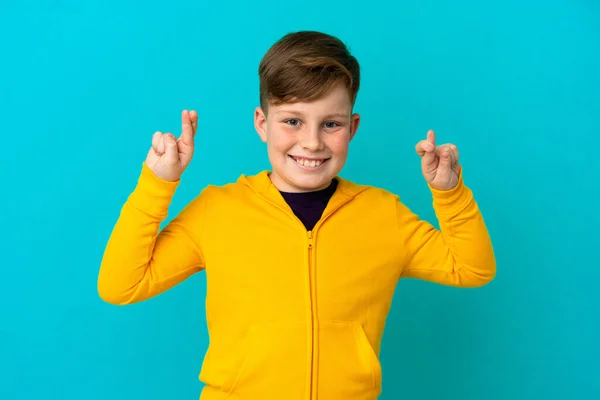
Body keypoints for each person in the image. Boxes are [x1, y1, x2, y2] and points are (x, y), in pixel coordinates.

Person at [97, 30, 496, 400]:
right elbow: (122, 285)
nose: (312, 142)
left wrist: (449, 193)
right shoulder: (218, 210)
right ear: (262, 123)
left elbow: (472, 268)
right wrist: (156, 184)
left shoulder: (383, 213)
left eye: (331, 124)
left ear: (352, 127)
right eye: (292, 121)